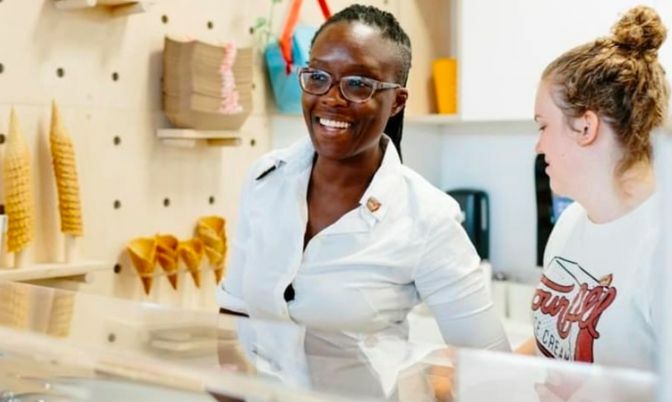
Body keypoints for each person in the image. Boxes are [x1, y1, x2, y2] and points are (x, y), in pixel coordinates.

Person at [216, 4, 509, 354]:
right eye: (318, 77)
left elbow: (489, 362)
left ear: (397, 102)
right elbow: (234, 313)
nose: (332, 98)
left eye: (358, 84)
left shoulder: (427, 218)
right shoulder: (266, 179)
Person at [523, 5, 669, 371]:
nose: (537, 145)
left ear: (585, 128)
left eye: (543, 126)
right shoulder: (570, 223)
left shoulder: (661, 246)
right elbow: (555, 348)